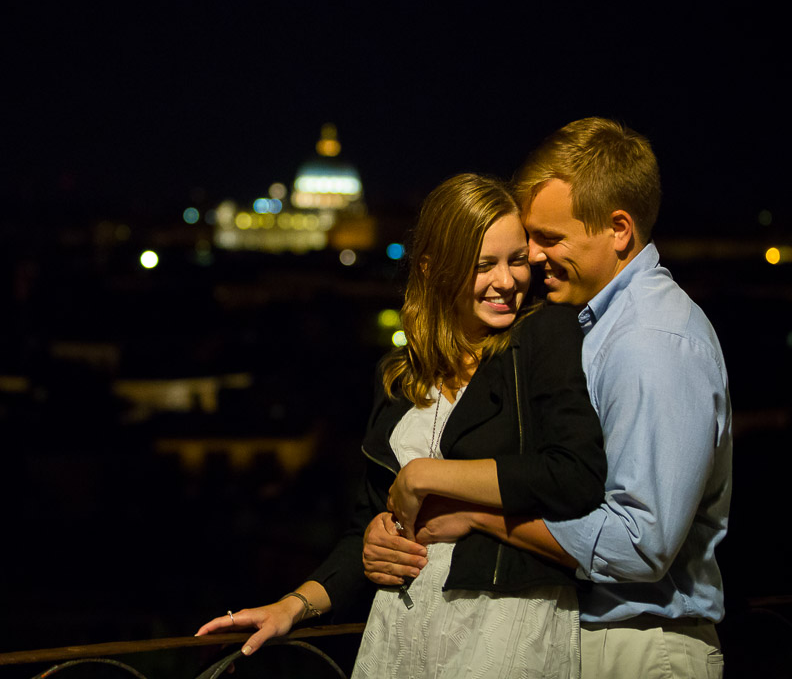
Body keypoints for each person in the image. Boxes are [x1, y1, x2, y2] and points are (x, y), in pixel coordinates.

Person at [363, 118, 732, 678]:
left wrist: (476, 514)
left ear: (618, 230)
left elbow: (639, 545)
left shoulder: (651, 342)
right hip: (605, 641)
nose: (531, 258)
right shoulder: (599, 327)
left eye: (548, 238)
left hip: (642, 645)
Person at [197, 173, 606, 678]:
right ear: (435, 269)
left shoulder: (544, 336)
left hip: (503, 633)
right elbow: (368, 529)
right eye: (483, 265)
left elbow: (575, 476)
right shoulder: (398, 375)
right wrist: (293, 606)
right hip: (400, 637)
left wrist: (427, 477)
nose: (508, 281)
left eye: (516, 259)